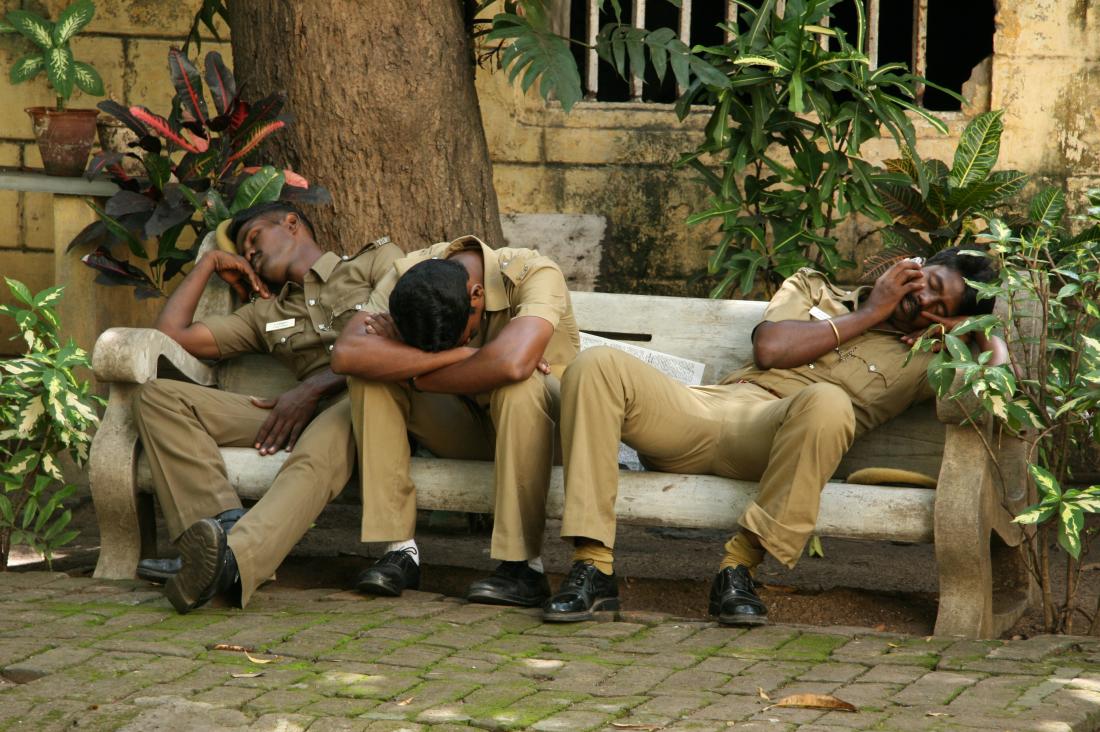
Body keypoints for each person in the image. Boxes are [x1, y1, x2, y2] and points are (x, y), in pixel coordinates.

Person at [542, 248, 1005, 623]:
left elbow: (1006, 393)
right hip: (706, 410)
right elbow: (770, 348)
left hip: (773, 442)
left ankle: (737, 571)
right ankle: (592, 568)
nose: (925, 304)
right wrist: (870, 312)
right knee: (596, 366)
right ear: (916, 265)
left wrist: (977, 332)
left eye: (940, 309)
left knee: (828, 401)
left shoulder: (928, 357)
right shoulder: (814, 288)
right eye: (933, 287)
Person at [131, 201, 402, 613]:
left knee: (317, 451)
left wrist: (313, 388)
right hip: (296, 414)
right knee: (158, 397)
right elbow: (171, 336)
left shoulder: (375, 262)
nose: (250, 253)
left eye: (254, 238)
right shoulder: (264, 313)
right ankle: (220, 531)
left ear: (291, 223)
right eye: (242, 251)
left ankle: (231, 563)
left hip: (368, 401)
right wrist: (209, 263)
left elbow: (408, 333)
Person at [331, 234, 579, 608]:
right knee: (370, 377)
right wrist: (469, 352)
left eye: (463, 334)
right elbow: (348, 354)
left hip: (547, 433)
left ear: (476, 296)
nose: (449, 349)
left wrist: (414, 367)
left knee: (519, 381)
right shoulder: (407, 274)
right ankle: (400, 551)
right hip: (464, 423)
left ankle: (523, 567)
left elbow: (512, 363)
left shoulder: (534, 272)